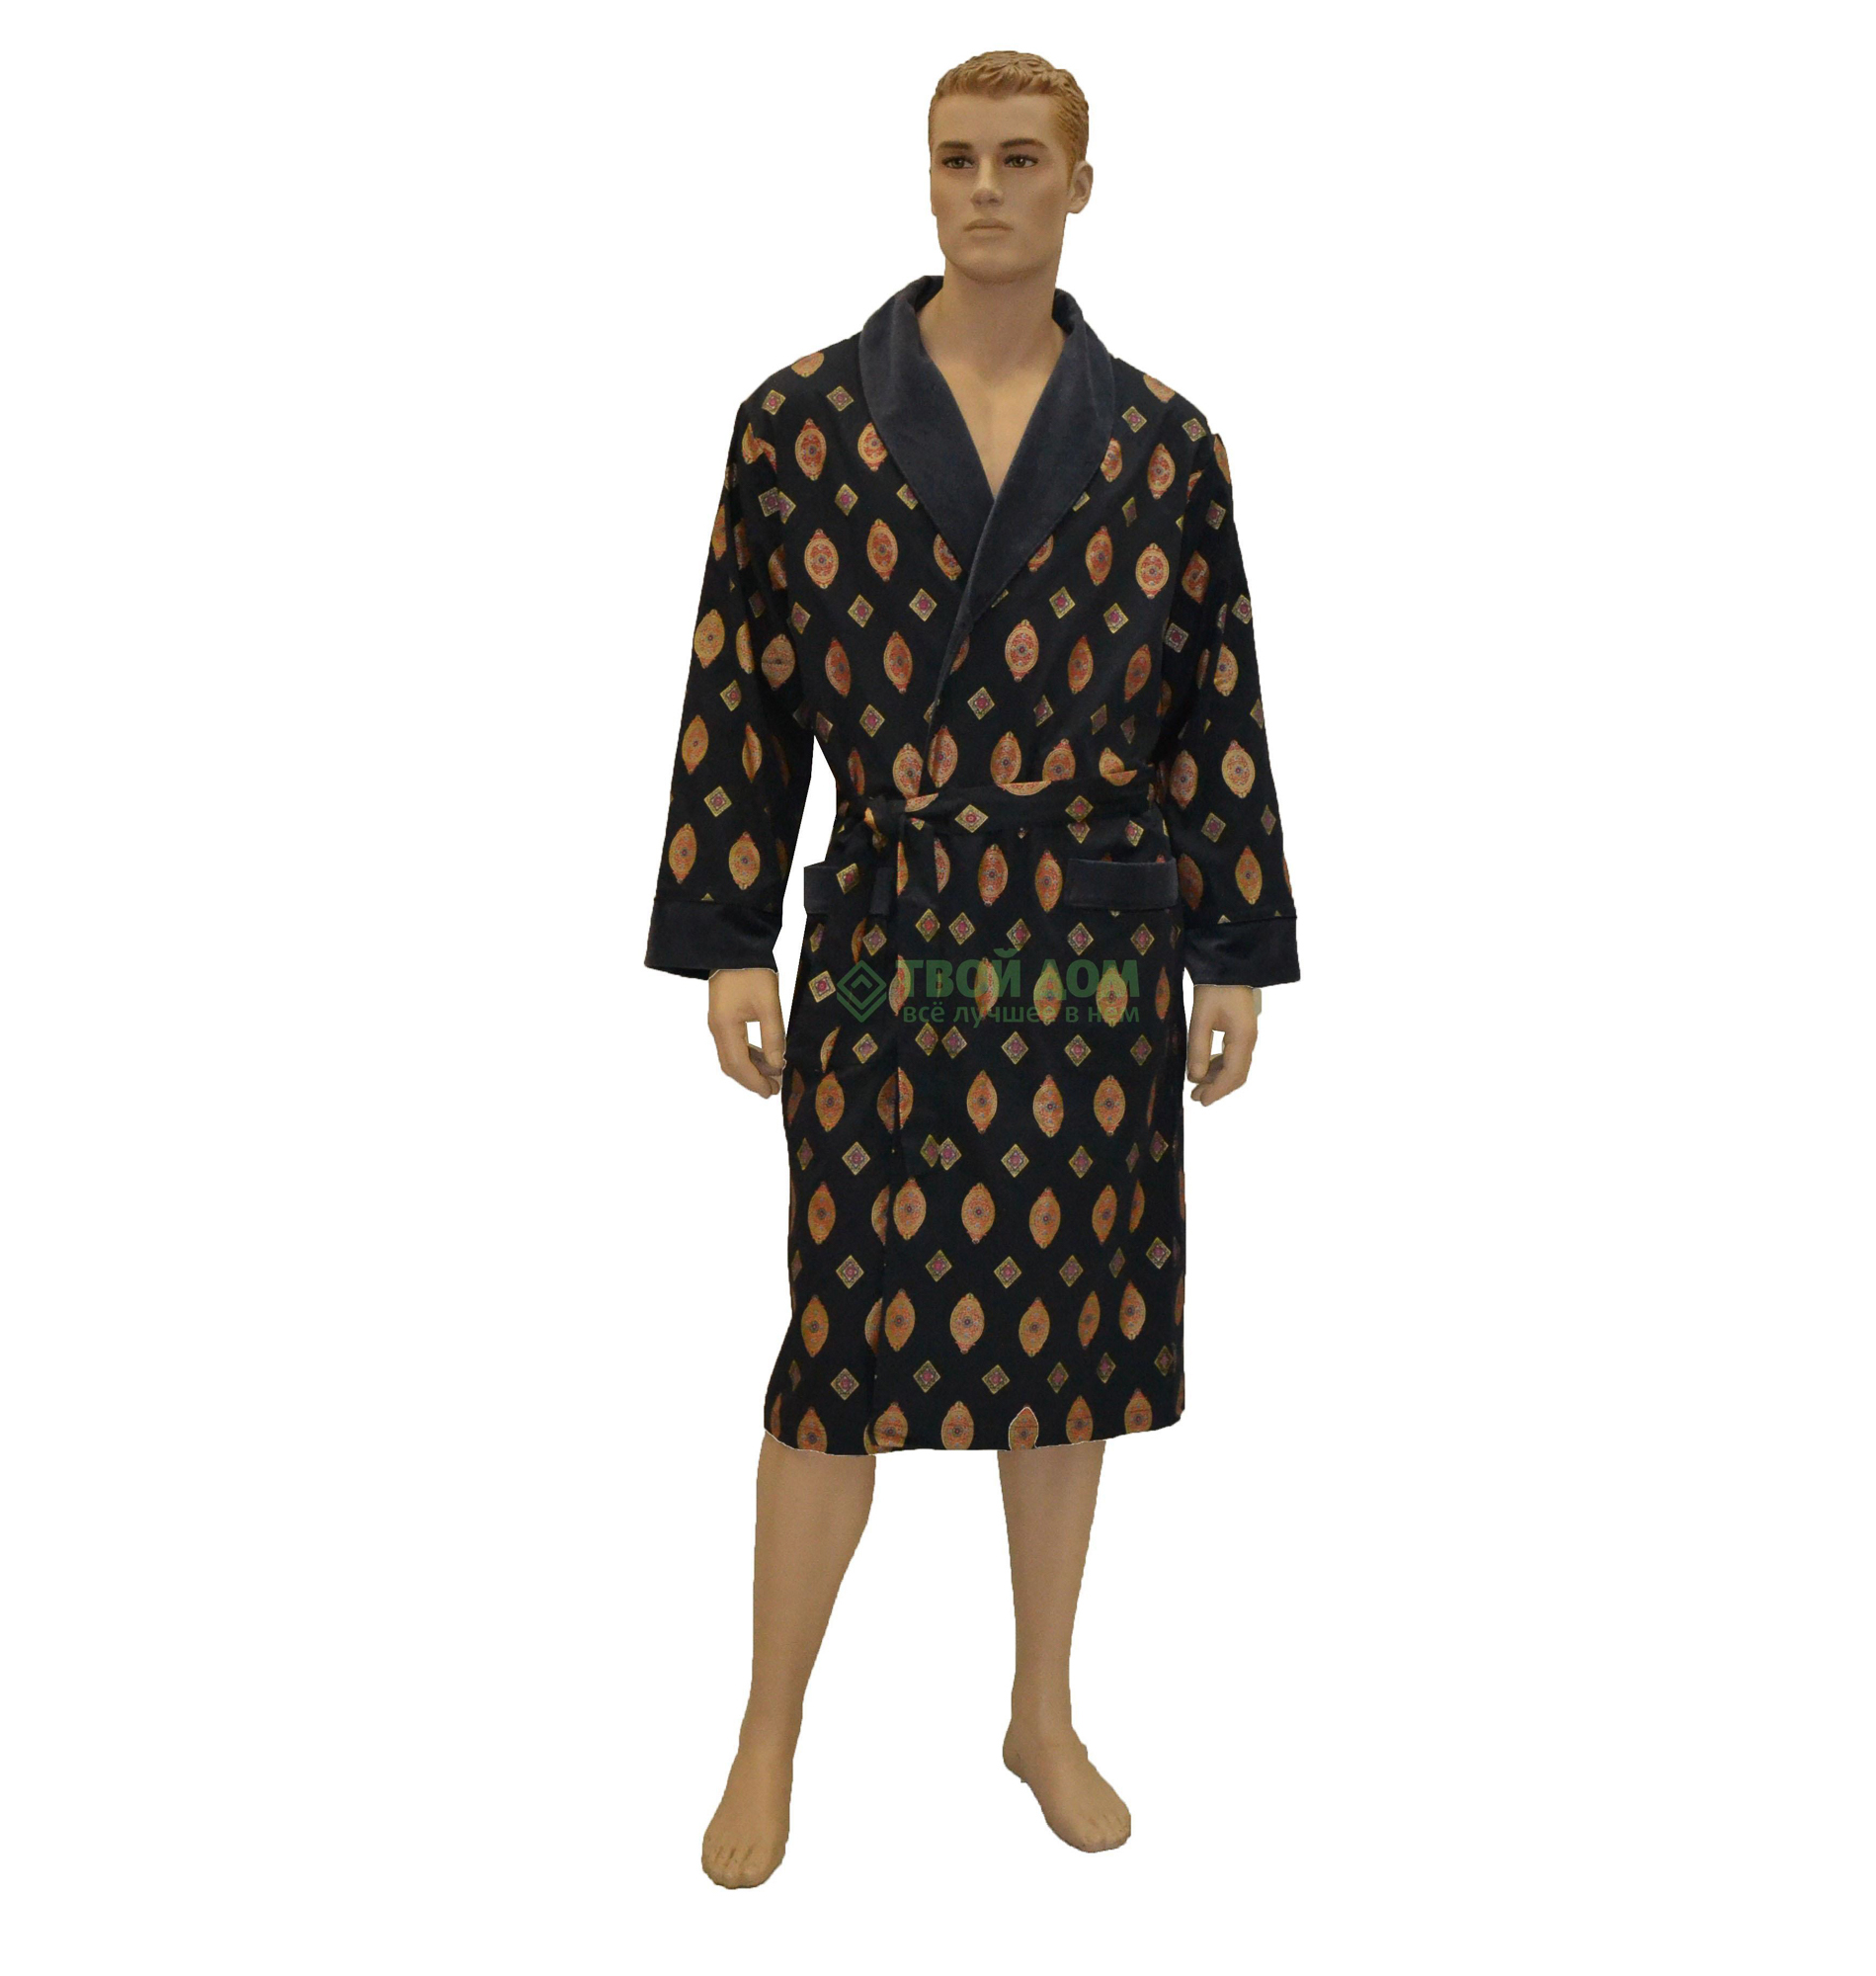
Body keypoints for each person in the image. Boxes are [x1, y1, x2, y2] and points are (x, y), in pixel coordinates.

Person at [644, 49, 1299, 1888]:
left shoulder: (1166, 445)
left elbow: (1214, 705)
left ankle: (1043, 1711)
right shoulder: (797, 424)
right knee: (839, 1347)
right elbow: (740, 685)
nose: (985, 189)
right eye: (956, 159)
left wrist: (1233, 948)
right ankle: (767, 1730)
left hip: (1091, 951)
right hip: (894, 940)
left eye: (1022, 159)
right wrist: (730, 935)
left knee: (1071, 1340)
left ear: (1084, 182)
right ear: (924, 179)